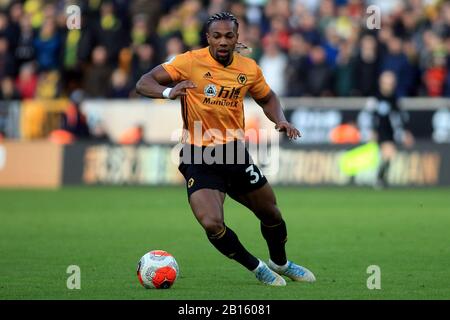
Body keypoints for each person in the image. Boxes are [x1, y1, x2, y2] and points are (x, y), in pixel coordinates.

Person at [136, 12, 315, 286]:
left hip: (233, 153)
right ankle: (257, 268)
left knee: (272, 214)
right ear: (207, 38)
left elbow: (267, 97)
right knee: (212, 223)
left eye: (229, 36)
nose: (222, 41)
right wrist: (168, 93)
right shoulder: (189, 61)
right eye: (216, 36)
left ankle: (280, 262)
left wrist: (280, 119)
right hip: (199, 154)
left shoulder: (248, 68)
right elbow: (144, 82)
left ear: (237, 38)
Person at [370, 71, 414, 189]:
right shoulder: (376, 99)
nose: (389, 86)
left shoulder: (394, 99)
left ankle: (381, 179)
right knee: (388, 153)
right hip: (381, 132)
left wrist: (404, 133)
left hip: (391, 133)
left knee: (389, 155)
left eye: (391, 83)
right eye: (386, 83)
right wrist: (372, 130)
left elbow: (399, 118)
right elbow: (370, 116)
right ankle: (380, 179)